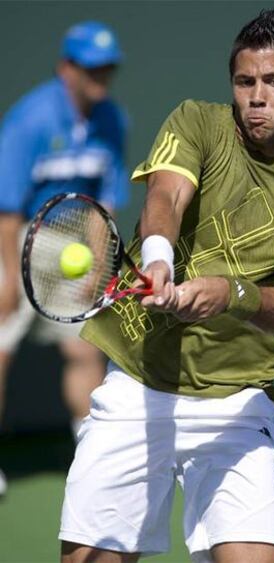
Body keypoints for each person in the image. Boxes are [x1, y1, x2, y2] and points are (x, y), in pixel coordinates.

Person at [59, 9, 274, 563]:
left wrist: (230, 293)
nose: (256, 97)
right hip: (138, 387)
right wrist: (158, 260)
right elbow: (165, 198)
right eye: (245, 82)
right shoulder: (198, 121)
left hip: (237, 406)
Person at [0, 21, 128, 494]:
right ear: (66, 68)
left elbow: (105, 203)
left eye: (107, 68)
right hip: (14, 239)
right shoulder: (29, 120)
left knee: (85, 347)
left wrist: (98, 263)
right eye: (91, 68)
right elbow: (7, 208)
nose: (101, 77)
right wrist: (10, 278)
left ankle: (91, 451)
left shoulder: (113, 119)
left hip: (75, 240)